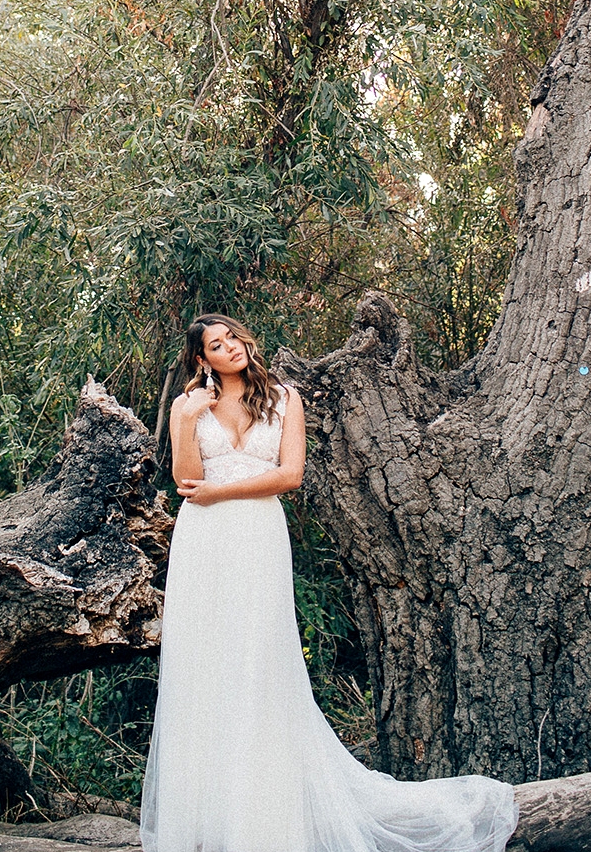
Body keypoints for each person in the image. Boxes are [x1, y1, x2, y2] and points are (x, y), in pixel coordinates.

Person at [140, 313, 518, 852]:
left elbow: (290, 475)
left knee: (260, 661)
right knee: (207, 665)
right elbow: (185, 482)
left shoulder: (283, 399)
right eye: (216, 346)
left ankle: (264, 817)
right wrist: (184, 420)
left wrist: (223, 492)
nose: (231, 349)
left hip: (256, 535)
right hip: (203, 547)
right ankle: (209, 820)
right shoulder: (187, 406)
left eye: (233, 338)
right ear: (202, 360)